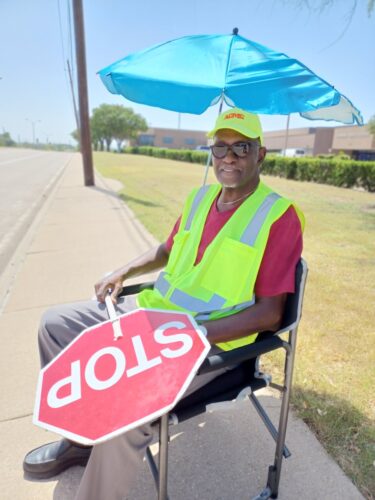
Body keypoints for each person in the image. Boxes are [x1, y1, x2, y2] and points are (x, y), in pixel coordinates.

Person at [23, 108, 304, 499]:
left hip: (206, 341)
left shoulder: (278, 216)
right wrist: (123, 271)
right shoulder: (200, 197)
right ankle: (81, 438)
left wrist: (183, 334)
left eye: (241, 147)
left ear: (261, 154)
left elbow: (270, 314)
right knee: (55, 324)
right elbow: (167, 250)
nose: (229, 157)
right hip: (151, 315)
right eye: (220, 147)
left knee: (124, 407)